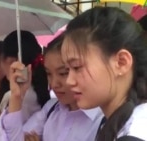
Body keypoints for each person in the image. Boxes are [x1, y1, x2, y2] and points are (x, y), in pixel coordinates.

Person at [61, 7, 147, 141]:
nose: (69, 81)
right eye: (66, 70)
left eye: (77, 67)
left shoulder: (134, 133)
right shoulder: (117, 122)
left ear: (121, 62)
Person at [0, 33, 103, 141]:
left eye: (63, 73)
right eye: (49, 74)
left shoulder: (103, 121)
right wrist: (17, 96)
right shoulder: (51, 109)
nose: (54, 84)